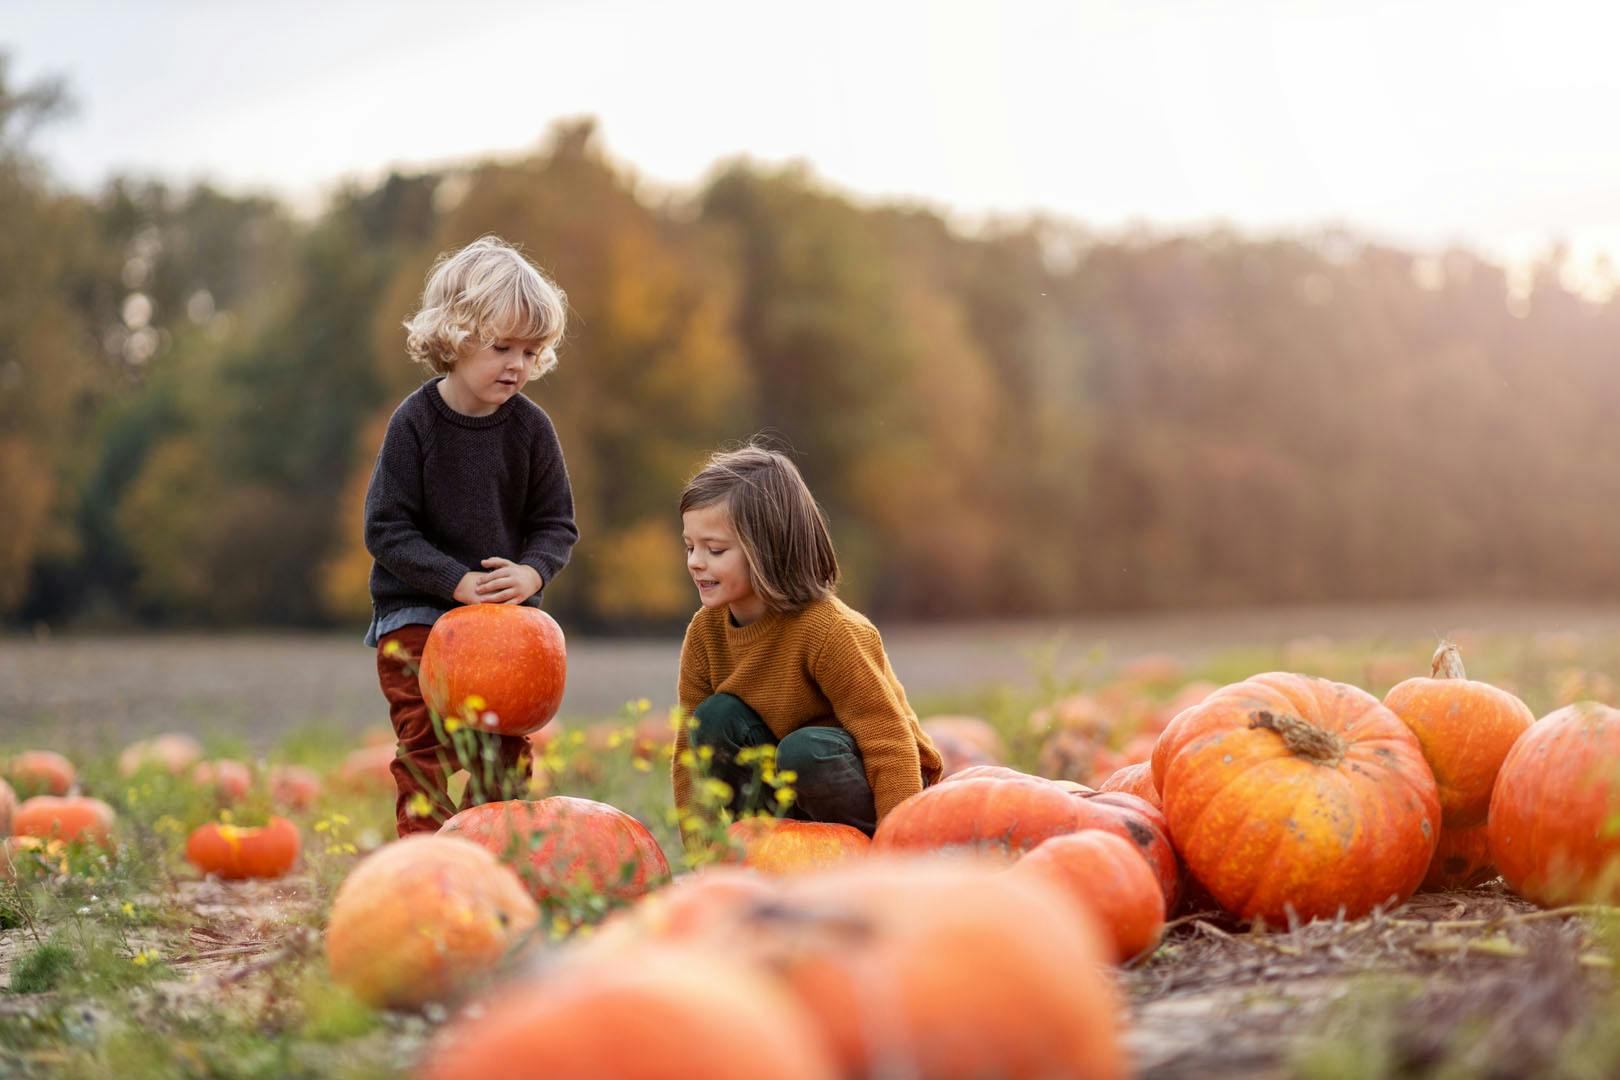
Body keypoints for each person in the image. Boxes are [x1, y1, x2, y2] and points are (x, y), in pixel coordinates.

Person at [364, 235, 578, 837]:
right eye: (502, 346)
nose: (518, 364)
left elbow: (555, 523)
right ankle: (425, 857)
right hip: (416, 612)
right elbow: (386, 528)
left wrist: (532, 572)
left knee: (502, 749)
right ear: (454, 339)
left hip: (505, 624)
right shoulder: (416, 424)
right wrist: (453, 581)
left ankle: (493, 848)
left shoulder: (533, 429)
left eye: (532, 351)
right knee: (424, 737)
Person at [673, 444, 942, 843]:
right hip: (790, 790)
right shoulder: (705, 633)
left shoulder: (830, 630)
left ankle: (861, 846)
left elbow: (889, 743)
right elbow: (690, 757)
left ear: (767, 549)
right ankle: (769, 843)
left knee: (806, 751)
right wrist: (703, 855)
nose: (696, 561)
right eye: (690, 547)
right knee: (714, 720)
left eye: (714, 550)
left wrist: (900, 849)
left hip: (874, 788)